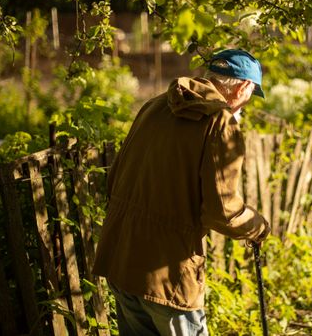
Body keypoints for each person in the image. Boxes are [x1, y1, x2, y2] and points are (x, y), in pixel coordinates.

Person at [92, 49, 271, 336]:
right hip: (167, 274)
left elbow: (114, 179)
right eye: (250, 95)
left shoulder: (154, 105)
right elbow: (222, 212)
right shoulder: (220, 122)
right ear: (244, 87)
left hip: (121, 257)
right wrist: (257, 227)